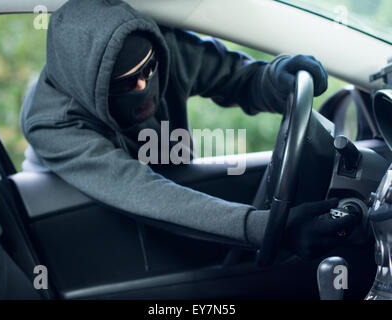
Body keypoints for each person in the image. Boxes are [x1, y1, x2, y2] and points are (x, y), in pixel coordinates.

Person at [20, 0, 360, 259]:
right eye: (125, 84)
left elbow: (238, 78)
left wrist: (275, 79)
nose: (144, 85)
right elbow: (138, 190)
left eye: (149, 69)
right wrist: (269, 228)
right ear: (91, 87)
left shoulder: (162, 49)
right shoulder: (53, 123)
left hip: (165, 170)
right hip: (83, 212)